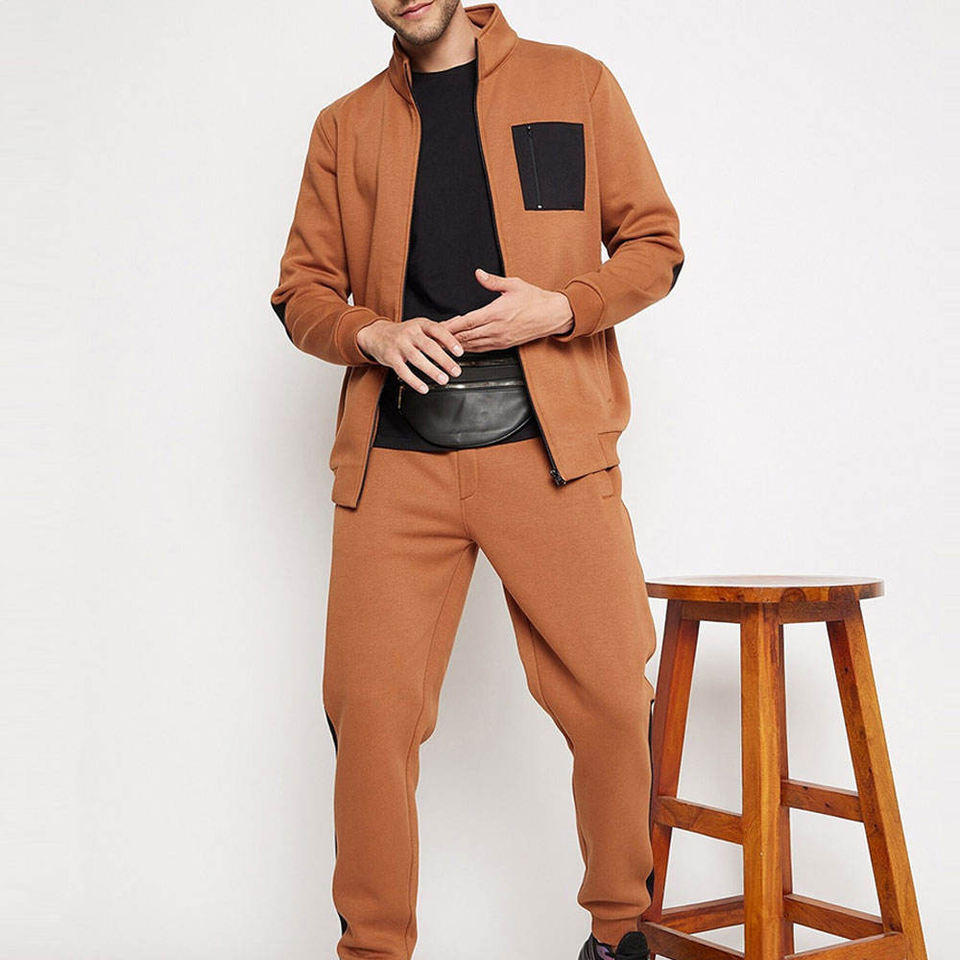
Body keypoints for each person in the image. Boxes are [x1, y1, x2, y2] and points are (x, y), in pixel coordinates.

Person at [269, 3, 684, 958]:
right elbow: (302, 291)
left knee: (613, 696)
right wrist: (371, 331)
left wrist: (563, 307)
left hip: (551, 446)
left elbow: (655, 245)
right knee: (368, 715)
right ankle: (375, 949)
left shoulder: (573, 82)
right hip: (396, 458)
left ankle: (621, 934)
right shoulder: (345, 125)